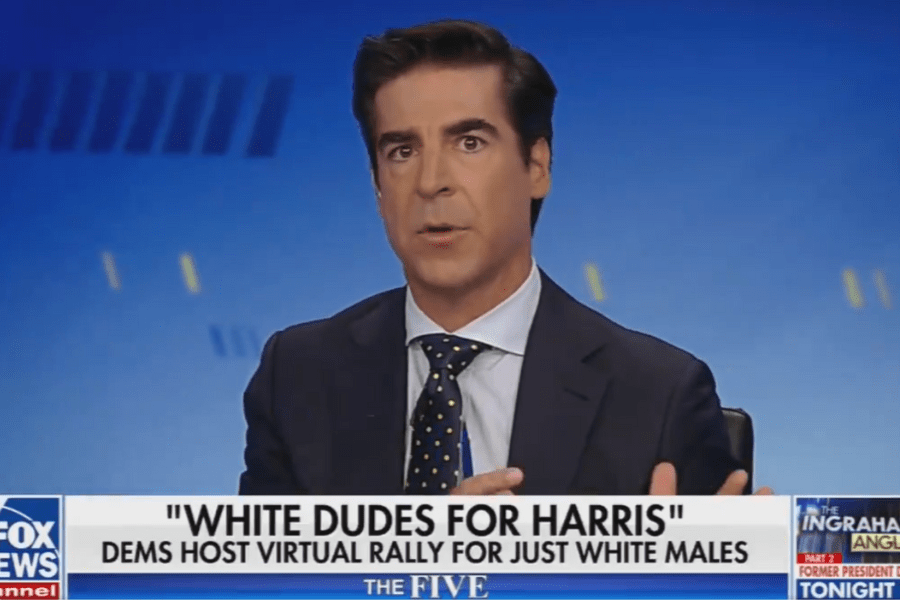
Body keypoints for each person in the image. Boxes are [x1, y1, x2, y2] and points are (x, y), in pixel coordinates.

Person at [238, 19, 771, 496]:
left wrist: (733, 564)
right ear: (378, 185)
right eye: (402, 151)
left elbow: (737, 567)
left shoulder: (658, 394)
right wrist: (426, 559)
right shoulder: (298, 375)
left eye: (469, 143)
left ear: (536, 167)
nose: (430, 182)